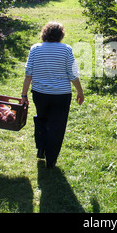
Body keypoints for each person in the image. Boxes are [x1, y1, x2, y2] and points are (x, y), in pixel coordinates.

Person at [21, 22, 84, 169]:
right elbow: (73, 74)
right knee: (57, 126)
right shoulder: (66, 50)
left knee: (41, 119)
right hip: (61, 95)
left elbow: (28, 74)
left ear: (44, 33)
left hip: (39, 93)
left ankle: (41, 147)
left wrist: (24, 94)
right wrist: (79, 91)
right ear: (61, 35)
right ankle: (51, 158)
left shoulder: (35, 49)